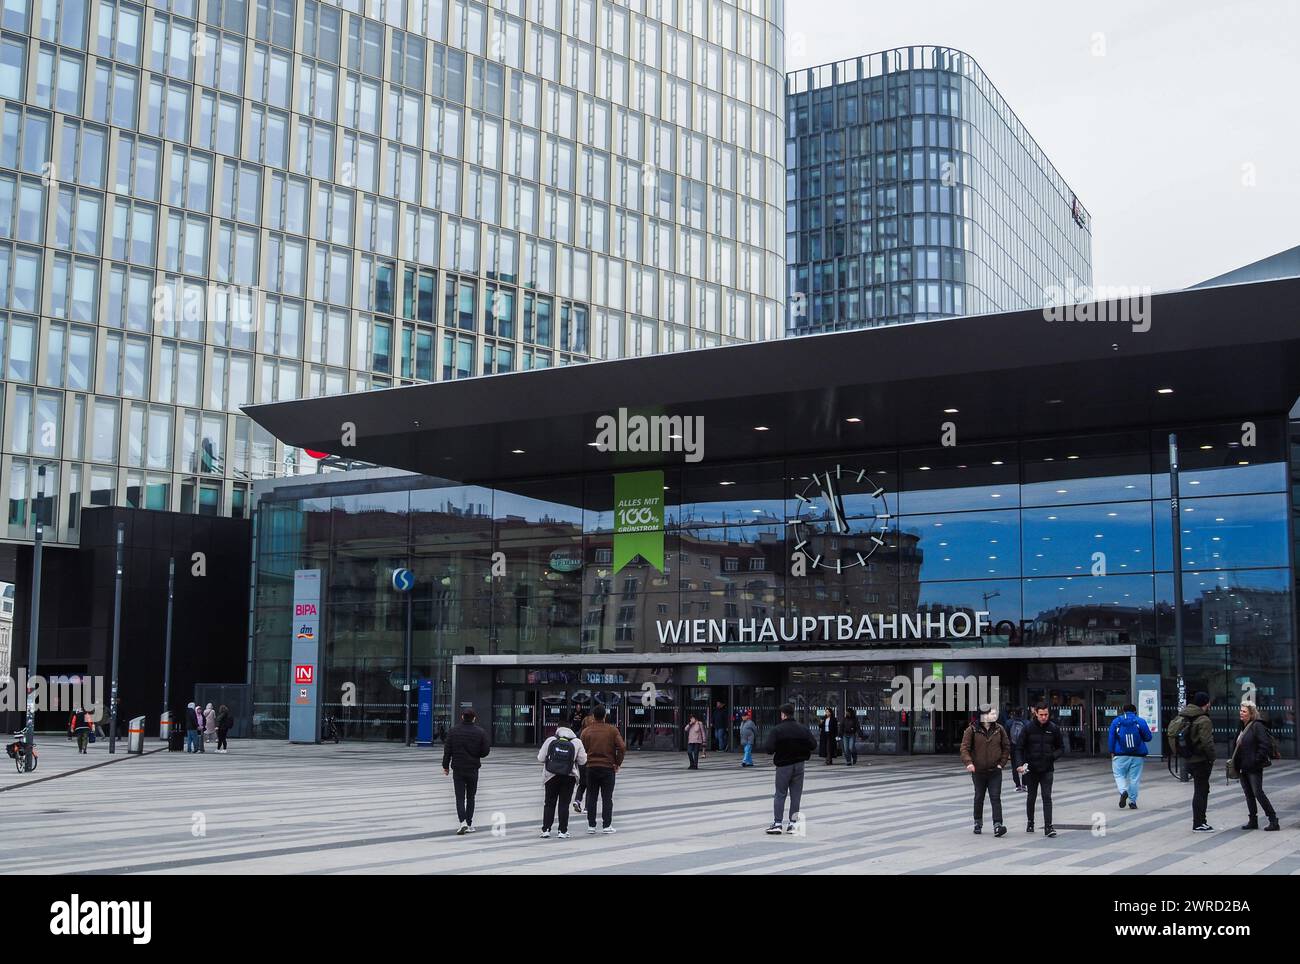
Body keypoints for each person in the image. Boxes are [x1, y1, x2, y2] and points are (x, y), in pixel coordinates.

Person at [1167, 691, 1216, 832]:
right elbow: (1207, 743)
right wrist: (1212, 757)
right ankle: (1199, 823)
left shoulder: (1183, 715)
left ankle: (1199, 822)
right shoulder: (1204, 720)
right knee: (1201, 791)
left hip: (1188, 759)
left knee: (1200, 790)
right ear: (1206, 704)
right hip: (1200, 760)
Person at [764, 703, 817, 834]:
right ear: (793, 713)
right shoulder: (803, 729)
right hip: (799, 765)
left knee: (780, 794)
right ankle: (793, 824)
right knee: (796, 795)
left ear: (783, 714)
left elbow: (769, 749)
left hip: (783, 765)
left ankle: (777, 823)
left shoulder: (777, 730)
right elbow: (813, 745)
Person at [1015, 703, 1063, 837]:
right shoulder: (1028, 728)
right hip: (1031, 768)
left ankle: (1049, 826)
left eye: (1046, 714)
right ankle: (1030, 822)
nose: (1043, 717)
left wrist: (1052, 757)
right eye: (1041, 714)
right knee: (1031, 796)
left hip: (1047, 769)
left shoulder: (1053, 728)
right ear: (1035, 713)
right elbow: (1019, 748)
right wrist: (1019, 764)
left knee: (1047, 796)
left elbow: (1061, 747)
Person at [961, 707, 1011, 836]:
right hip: (978, 771)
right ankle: (978, 822)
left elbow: (1006, 746)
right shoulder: (971, 730)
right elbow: (964, 748)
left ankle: (998, 824)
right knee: (979, 797)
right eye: (989, 713)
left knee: (995, 797)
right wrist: (969, 763)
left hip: (995, 770)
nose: (993, 715)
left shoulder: (999, 729)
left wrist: (1002, 763)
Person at [1231, 701, 1279, 832]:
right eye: (1240, 711)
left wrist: (1256, 760)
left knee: (1258, 792)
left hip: (1253, 766)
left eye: (1244, 711)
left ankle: (1273, 820)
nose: (1241, 713)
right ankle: (1253, 820)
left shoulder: (1257, 726)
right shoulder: (1241, 726)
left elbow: (1265, 745)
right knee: (1248, 794)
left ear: (1251, 713)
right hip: (1242, 766)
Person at [441, 709, 490, 835]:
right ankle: (469, 823)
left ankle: (462, 822)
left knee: (459, 797)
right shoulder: (480, 732)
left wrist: (445, 766)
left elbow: (447, 750)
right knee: (471, 797)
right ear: (474, 718)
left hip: (458, 768)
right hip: (473, 768)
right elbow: (485, 751)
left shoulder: (453, 731)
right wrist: (476, 754)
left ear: (462, 717)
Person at [581, 705, 625, 833]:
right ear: (605, 716)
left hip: (591, 768)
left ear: (593, 717)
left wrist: (585, 762)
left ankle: (591, 826)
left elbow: (581, 750)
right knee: (607, 798)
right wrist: (617, 763)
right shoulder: (612, 730)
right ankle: (606, 825)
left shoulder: (586, 731)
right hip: (607, 768)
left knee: (592, 797)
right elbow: (622, 747)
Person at [537, 725, 587, 838]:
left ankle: (546, 830)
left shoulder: (550, 740)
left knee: (549, 803)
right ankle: (562, 831)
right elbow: (583, 761)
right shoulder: (577, 742)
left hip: (551, 776)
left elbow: (540, 758)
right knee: (564, 804)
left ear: (558, 729)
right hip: (569, 776)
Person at [1108, 703, 1151, 809]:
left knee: (1119, 775)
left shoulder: (1116, 721)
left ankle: (1123, 791)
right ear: (1135, 711)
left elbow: (1111, 738)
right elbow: (1148, 737)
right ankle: (1132, 801)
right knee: (1134, 778)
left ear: (1123, 711)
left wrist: (1111, 751)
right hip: (1137, 754)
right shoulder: (1140, 721)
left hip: (1120, 754)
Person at [572, 708, 591, 814]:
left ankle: (577, 801)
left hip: (581, 762)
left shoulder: (578, 734)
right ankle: (587, 807)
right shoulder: (590, 733)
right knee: (590, 785)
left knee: (582, 783)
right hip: (590, 760)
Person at [1006, 708, 1028, 792]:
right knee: (1024, 765)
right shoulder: (1026, 723)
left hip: (1013, 747)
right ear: (1022, 712)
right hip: (1023, 747)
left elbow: (1006, 735)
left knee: (1014, 766)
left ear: (1013, 713)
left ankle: (1017, 785)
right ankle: (1024, 784)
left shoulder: (1009, 722)